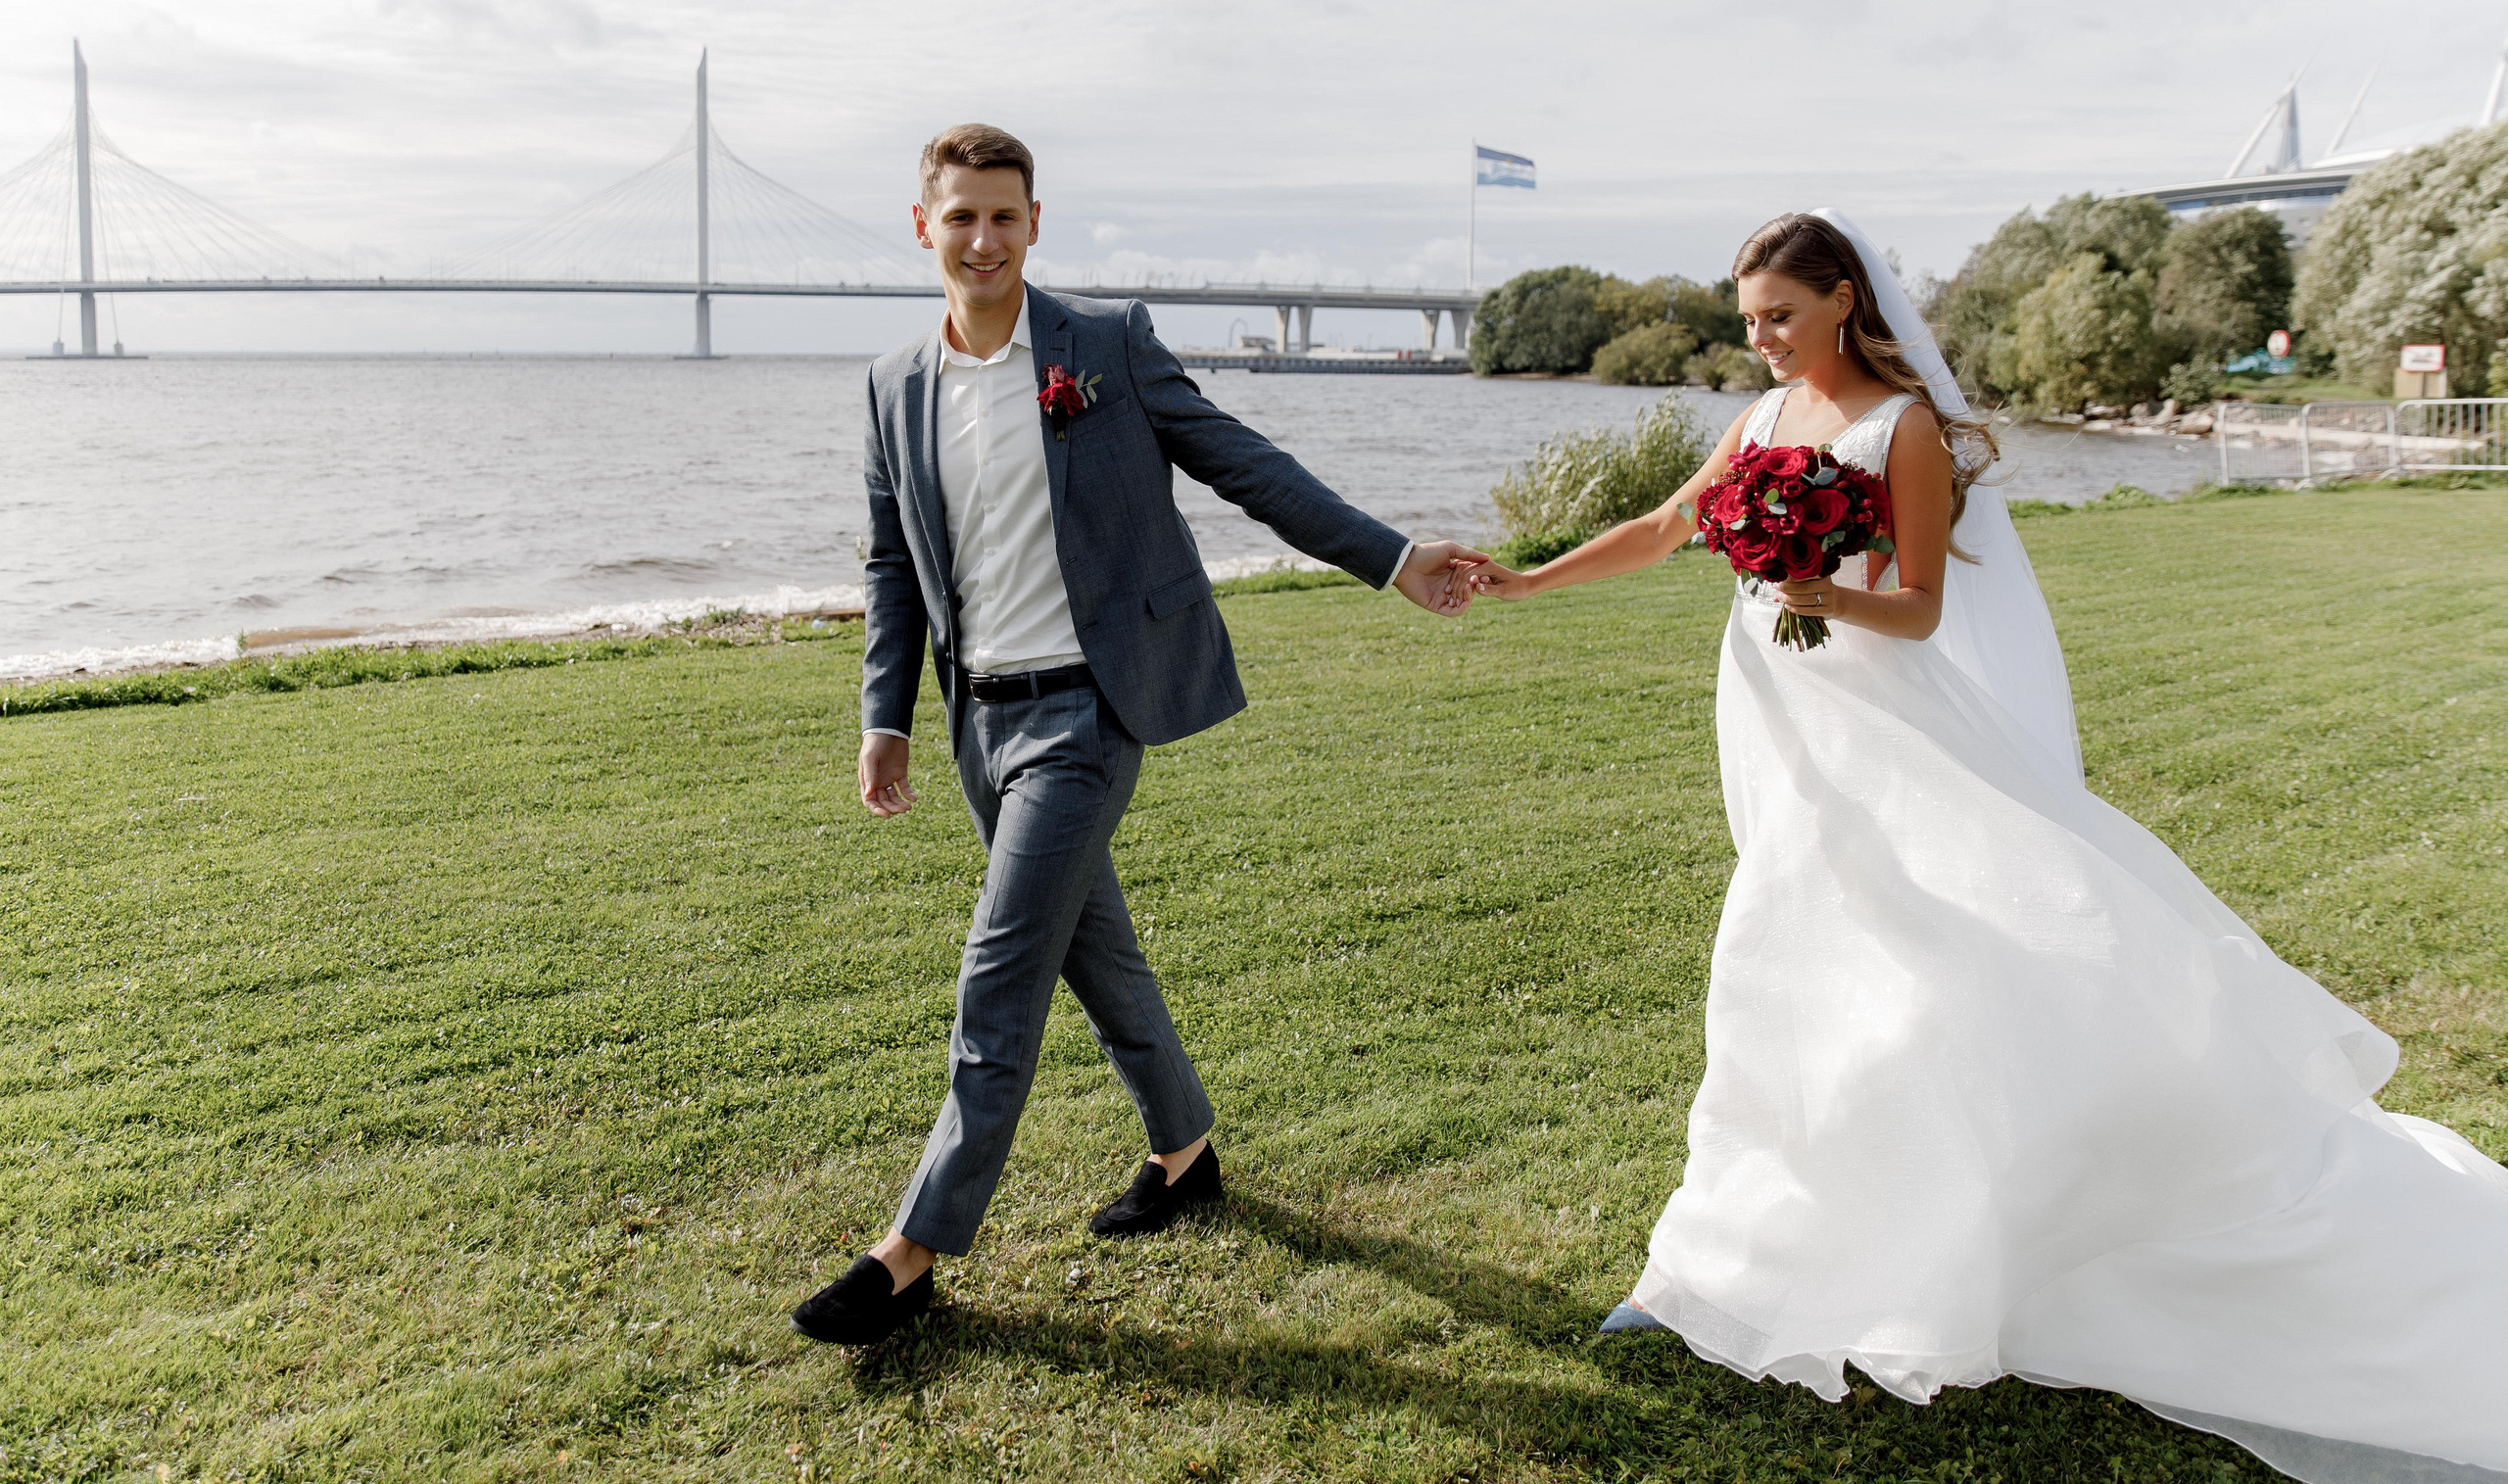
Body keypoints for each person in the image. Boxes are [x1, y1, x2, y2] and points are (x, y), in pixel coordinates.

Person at [1459, 211, 2508, 1483]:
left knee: (1860, 960)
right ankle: (1721, 1265)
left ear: (1844, 299)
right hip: (1781, 726)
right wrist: (1525, 578)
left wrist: (1816, 588)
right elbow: (1663, 525)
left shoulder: (1899, 430)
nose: (1762, 339)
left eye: (1779, 315)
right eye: (1748, 319)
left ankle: (1806, 1257)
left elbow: (1915, 604)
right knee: (1797, 967)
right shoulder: (1760, 422)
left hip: (1878, 726)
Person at [791, 123, 1486, 1348]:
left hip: (1091, 708)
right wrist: (881, 714)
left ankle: (910, 1251)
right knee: (1090, 954)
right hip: (979, 720)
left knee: (998, 972)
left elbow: (1244, 465)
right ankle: (1185, 1148)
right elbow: (893, 561)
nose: (984, 238)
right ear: (923, 228)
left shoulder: (1103, 346)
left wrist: (1390, 558)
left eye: (1005, 216)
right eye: (960, 216)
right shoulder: (892, 385)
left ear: (1034, 224)